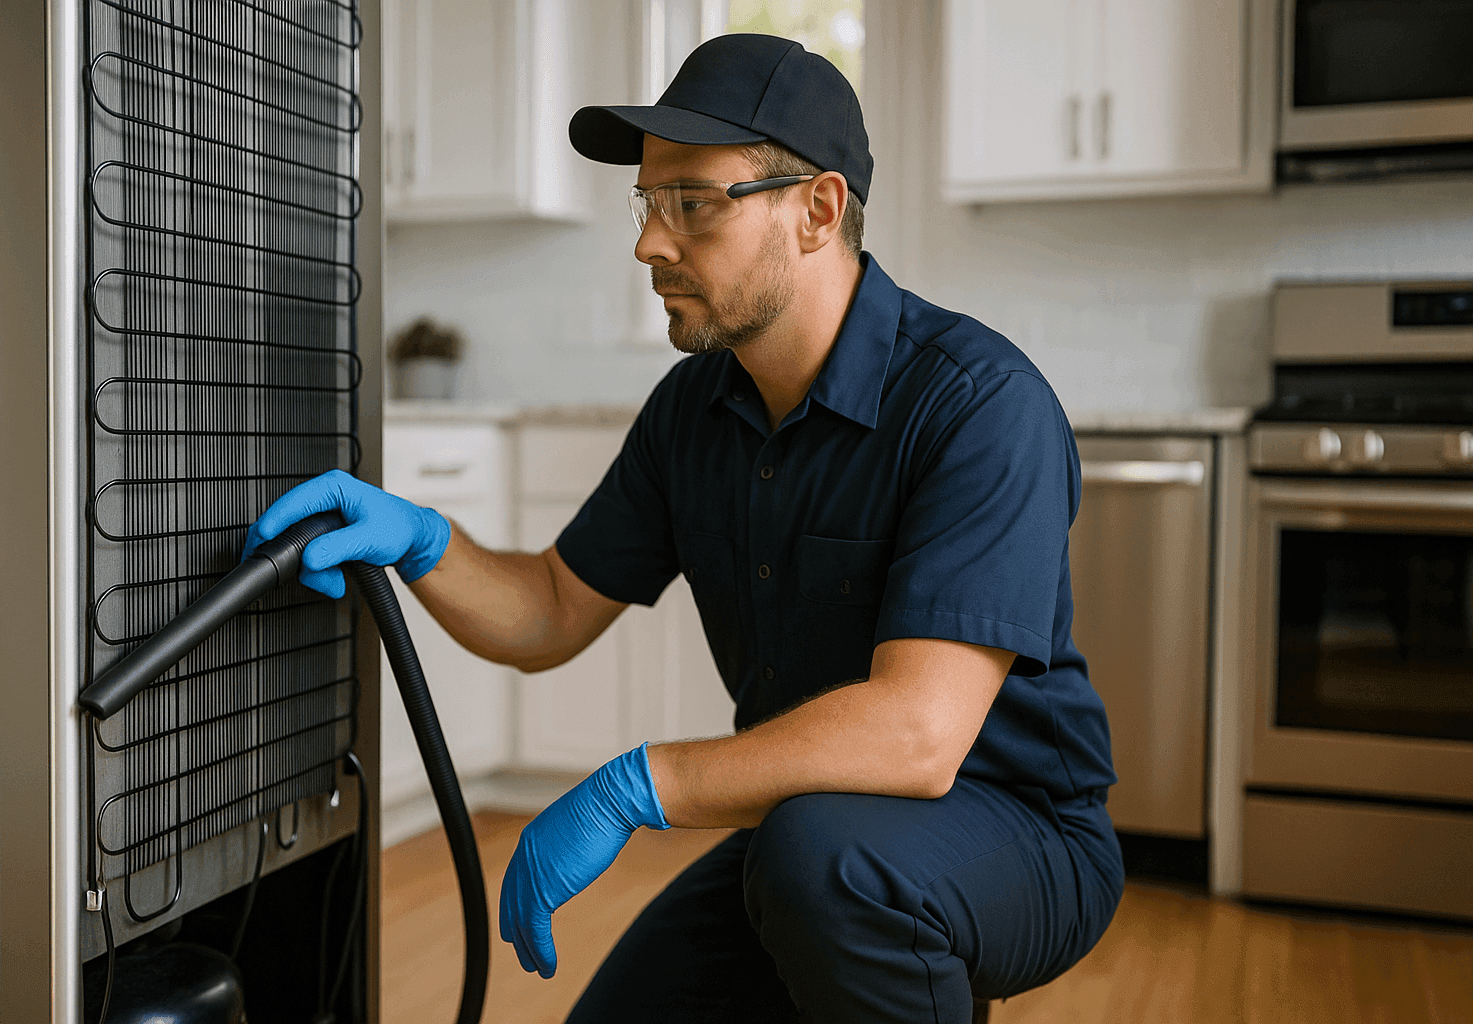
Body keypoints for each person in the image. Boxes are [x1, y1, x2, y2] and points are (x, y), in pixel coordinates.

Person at [248, 33, 1123, 1024]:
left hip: (1018, 831)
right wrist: (422, 541)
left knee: (828, 865)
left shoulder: (977, 403)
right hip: (805, 830)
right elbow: (551, 608)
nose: (648, 243)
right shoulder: (693, 410)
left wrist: (636, 786)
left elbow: (919, 735)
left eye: (694, 204)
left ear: (818, 210)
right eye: (648, 203)